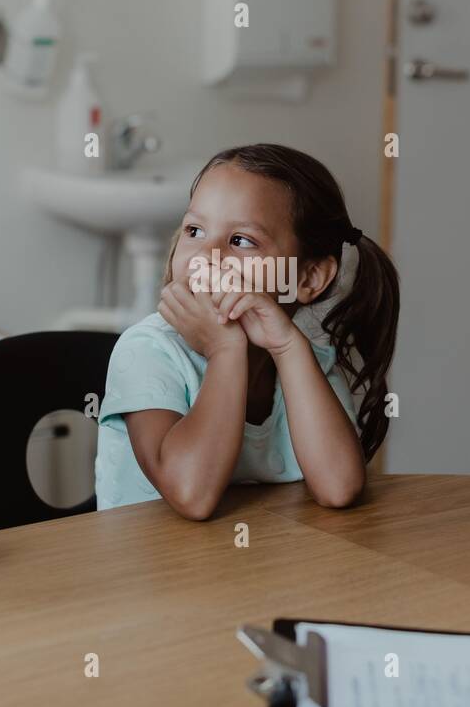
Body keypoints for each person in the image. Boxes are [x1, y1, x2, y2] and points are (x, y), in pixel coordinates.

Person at [94, 144, 399, 519]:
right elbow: (192, 495)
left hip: (255, 569)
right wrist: (226, 351)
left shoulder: (305, 360)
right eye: (195, 230)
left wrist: (288, 348)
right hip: (153, 573)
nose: (207, 255)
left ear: (308, 277)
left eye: (241, 241)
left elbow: (339, 488)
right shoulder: (148, 351)